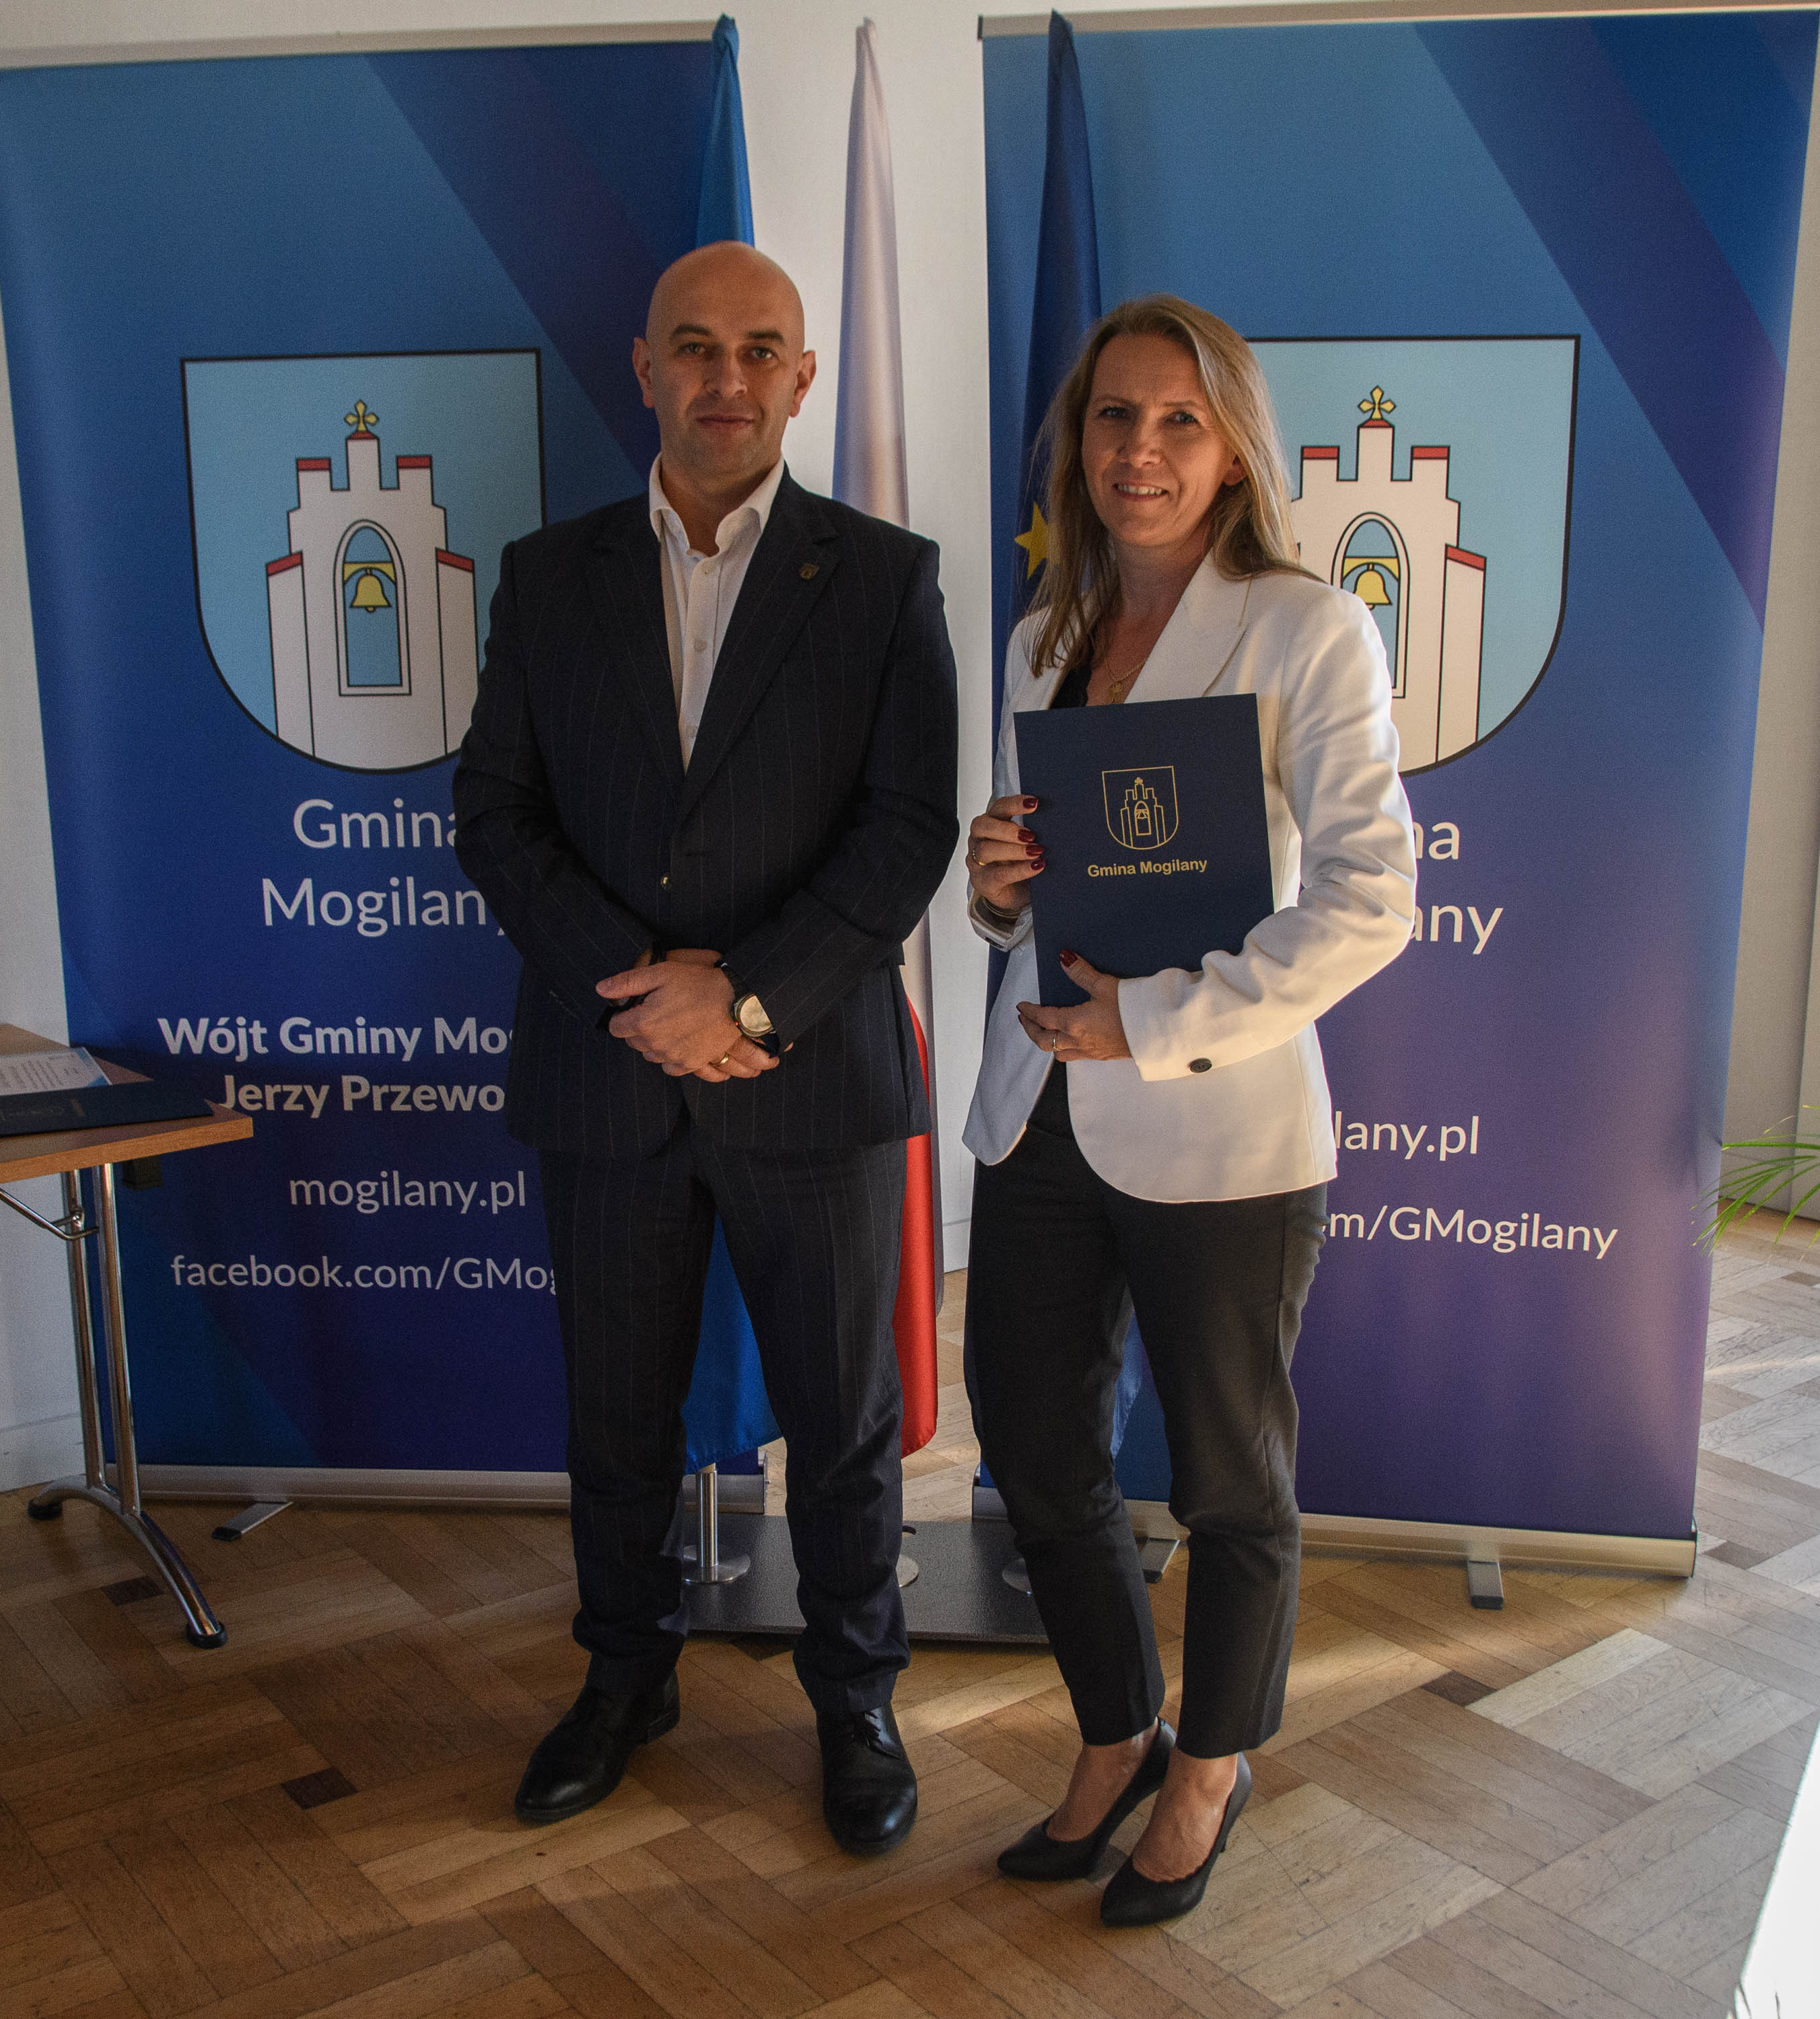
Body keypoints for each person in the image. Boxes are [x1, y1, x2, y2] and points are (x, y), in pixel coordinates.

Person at [453, 242, 959, 1857]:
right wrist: (644, 993)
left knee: (844, 1425)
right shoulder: (549, 578)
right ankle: (625, 1678)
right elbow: (496, 815)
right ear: (645, 367)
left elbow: (907, 832)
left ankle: (856, 1701)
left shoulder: (884, 579)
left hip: (808, 1078)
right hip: (606, 1074)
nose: (725, 378)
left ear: (802, 377)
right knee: (616, 1417)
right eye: (694, 346)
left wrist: (741, 999)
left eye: (758, 349)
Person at [962, 295, 1415, 1925]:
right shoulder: (1043, 637)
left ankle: (1211, 1768)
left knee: (1228, 1482)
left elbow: (1372, 900)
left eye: (1176, 420)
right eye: (1111, 417)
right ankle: (1116, 1732)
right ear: (1076, 444)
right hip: (1039, 1107)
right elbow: (1031, 895)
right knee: (1035, 1452)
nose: (1137, 451)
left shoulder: (1309, 628)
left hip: (1220, 1126)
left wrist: (1152, 1022)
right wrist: (994, 886)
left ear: (1232, 452)